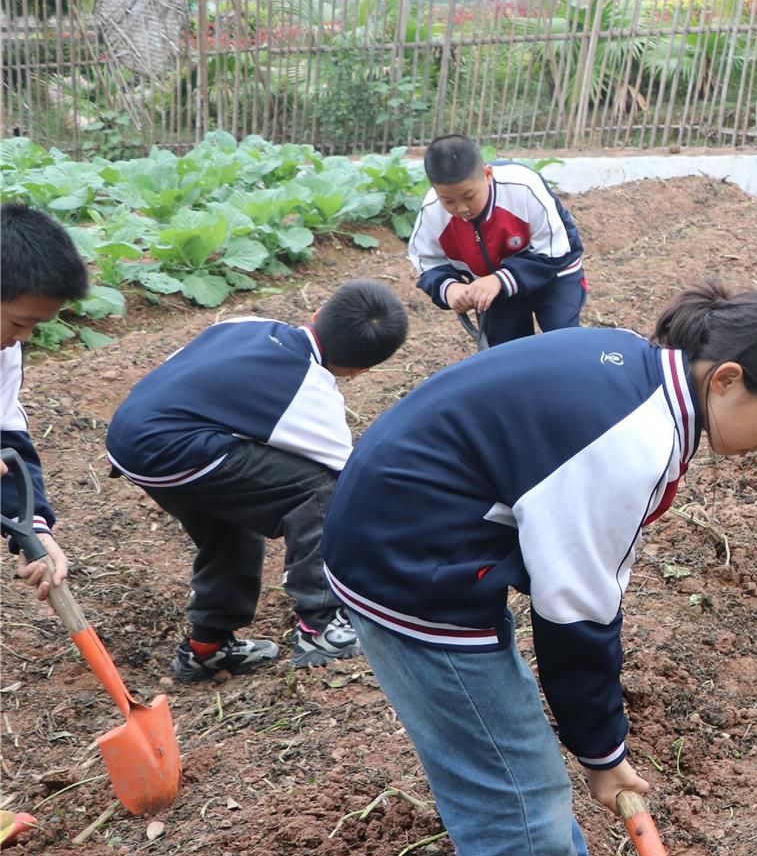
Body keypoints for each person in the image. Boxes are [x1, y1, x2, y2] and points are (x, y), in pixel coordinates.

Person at [320, 285, 757, 856]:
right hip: (408, 566)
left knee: (520, 742)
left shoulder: (644, 376)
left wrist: (598, 742)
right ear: (726, 378)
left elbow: (582, 585)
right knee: (509, 778)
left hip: (436, 535)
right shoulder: (630, 442)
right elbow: (577, 612)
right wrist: (603, 755)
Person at [105, 283, 409, 678]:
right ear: (361, 370)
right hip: (175, 450)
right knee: (322, 493)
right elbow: (346, 478)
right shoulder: (309, 390)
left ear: (316, 312)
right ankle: (320, 627)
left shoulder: (247, 323)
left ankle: (206, 647)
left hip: (132, 435)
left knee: (231, 523)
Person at [408, 134, 587, 345]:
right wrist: (449, 288)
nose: (462, 208)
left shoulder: (524, 188)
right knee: (504, 354)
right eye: (448, 201)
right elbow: (428, 262)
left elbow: (556, 251)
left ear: (487, 174)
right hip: (490, 287)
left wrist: (501, 279)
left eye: (469, 196)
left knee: (564, 341)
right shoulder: (432, 211)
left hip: (553, 275)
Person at [1, 203, 83, 603]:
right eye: (19, 322)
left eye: (35, 325)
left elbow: (8, 442)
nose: (25, 337)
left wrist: (33, 529)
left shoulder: (4, 353)